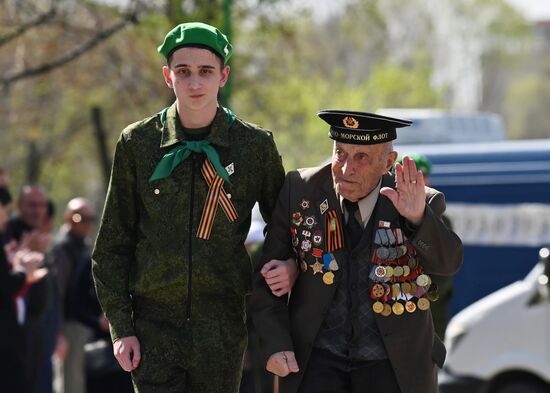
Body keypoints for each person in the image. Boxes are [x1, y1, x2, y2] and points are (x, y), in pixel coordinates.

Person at [92, 22, 289, 393]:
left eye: (205, 71)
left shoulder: (253, 146)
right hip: (153, 326)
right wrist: (122, 329)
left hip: (222, 325)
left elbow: (284, 228)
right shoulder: (137, 144)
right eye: (183, 72)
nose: (194, 83)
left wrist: (286, 265)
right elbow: (111, 247)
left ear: (223, 76)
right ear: (168, 76)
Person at [250, 110, 464, 393]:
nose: (346, 168)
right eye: (340, 153)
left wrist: (417, 220)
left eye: (361, 157)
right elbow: (267, 276)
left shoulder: (415, 200)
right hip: (316, 361)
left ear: (387, 162)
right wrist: (276, 345)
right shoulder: (300, 190)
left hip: (392, 366)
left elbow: (449, 263)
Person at [396, 153, 454, 340]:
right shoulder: (386, 212)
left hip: (429, 311)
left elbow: (446, 266)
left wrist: (419, 293)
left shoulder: (441, 219)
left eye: (422, 177)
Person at [0, 181, 48, 393]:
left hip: (34, 326)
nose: (37, 210)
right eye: (31, 204)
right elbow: (6, 281)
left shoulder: (41, 234)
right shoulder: (9, 232)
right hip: (10, 329)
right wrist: (22, 267)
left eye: (41, 205)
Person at [47, 198, 99, 393]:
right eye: (80, 217)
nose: (86, 223)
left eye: (90, 219)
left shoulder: (84, 246)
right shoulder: (61, 248)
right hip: (68, 327)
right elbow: (57, 295)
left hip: (85, 325)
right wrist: (58, 333)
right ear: (68, 218)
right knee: (71, 383)